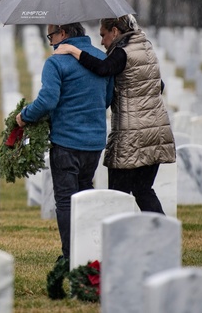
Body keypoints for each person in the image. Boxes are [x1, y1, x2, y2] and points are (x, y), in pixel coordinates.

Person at [55, 14, 175, 213]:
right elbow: (158, 86)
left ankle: (116, 240)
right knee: (143, 190)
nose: (102, 42)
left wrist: (73, 51)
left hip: (132, 136)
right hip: (156, 134)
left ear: (115, 31)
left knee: (116, 196)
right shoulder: (146, 48)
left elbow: (103, 68)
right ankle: (163, 238)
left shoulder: (123, 52)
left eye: (103, 35)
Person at [16, 22, 113, 264]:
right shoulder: (101, 58)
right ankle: (91, 251)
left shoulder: (55, 62)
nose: (50, 42)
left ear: (63, 32)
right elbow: (108, 98)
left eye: (51, 36)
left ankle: (71, 256)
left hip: (66, 141)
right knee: (85, 192)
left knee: (66, 200)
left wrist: (24, 116)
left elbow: (48, 100)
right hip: (94, 141)